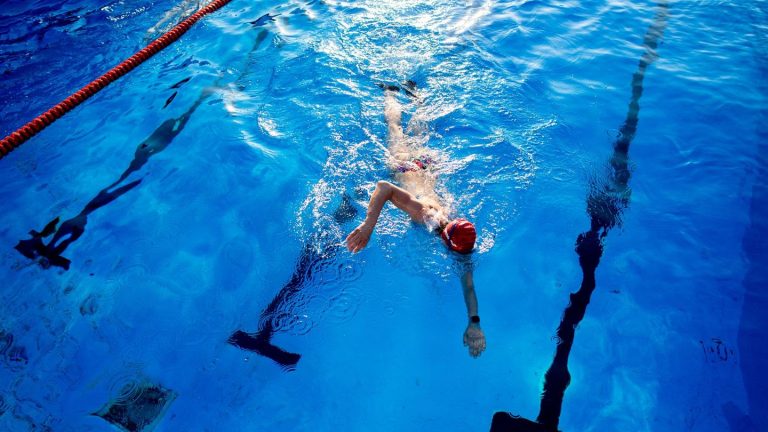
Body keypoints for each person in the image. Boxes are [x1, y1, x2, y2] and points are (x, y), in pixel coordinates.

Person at [345, 84, 486, 358]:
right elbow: (384, 187)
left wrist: (474, 322)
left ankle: (416, 96)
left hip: (426, 168)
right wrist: (367, 226)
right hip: (404, 167)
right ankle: (389, 93)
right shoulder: (426, 215)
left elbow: (468, 285)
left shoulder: (455, 235)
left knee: (419, 132)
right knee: (395, 128)